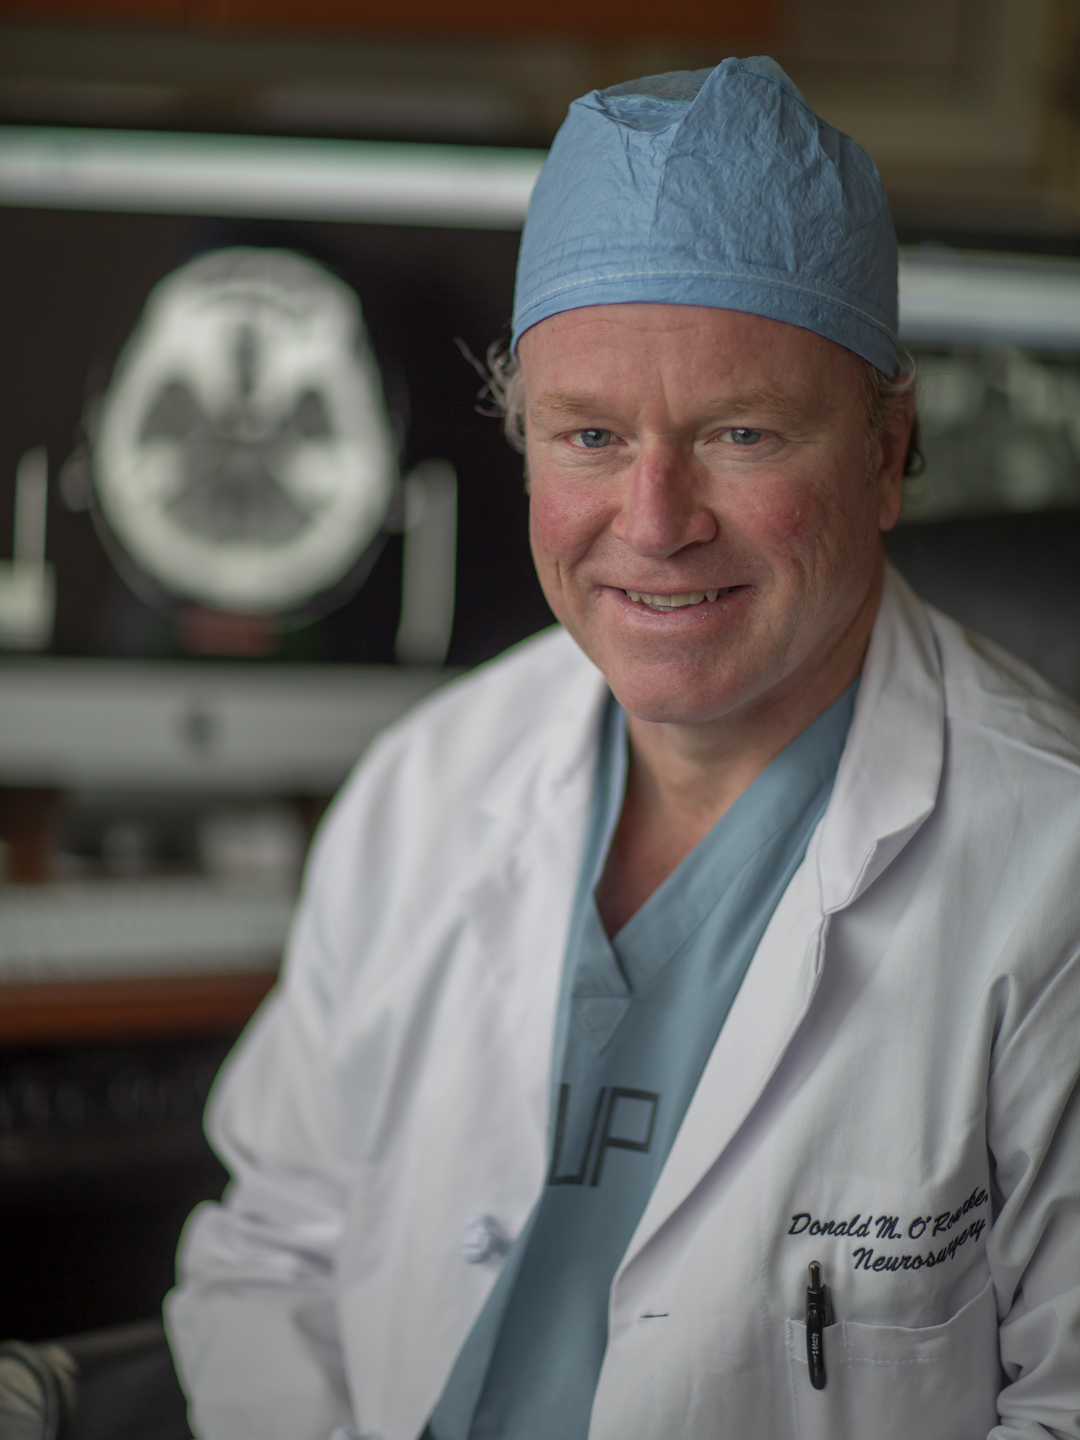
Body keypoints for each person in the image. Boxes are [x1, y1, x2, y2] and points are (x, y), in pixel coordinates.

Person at [165, 58, 1080, 1440]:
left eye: (741, 434)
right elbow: (272, 1250)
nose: (653, 522)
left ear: (888, 454)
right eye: (589, 435)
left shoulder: (1051, 874)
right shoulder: (428, 785)